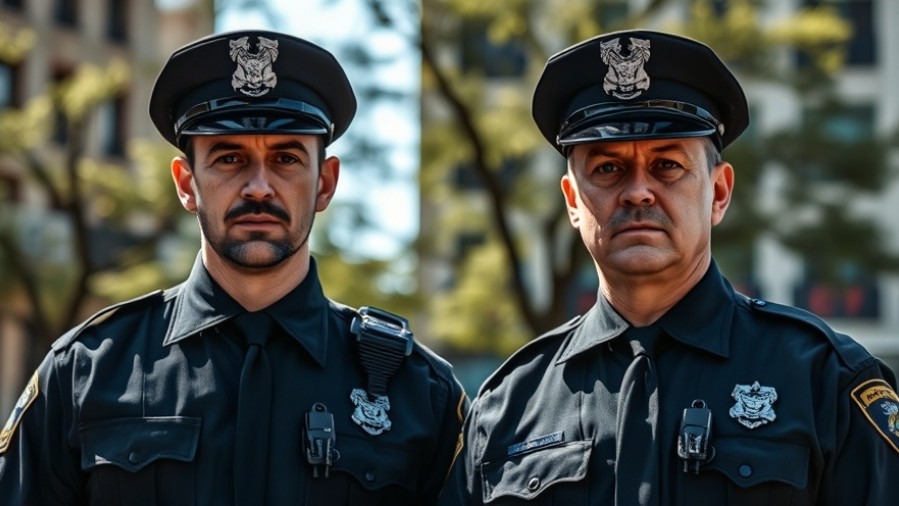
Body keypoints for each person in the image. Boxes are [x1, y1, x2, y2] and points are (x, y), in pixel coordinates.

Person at [0, 29, 467, 505]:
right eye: (229, 157)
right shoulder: (85, 372)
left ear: (325, 184)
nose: (258, 187)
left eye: (286, 158)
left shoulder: (419, 392)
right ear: (187, 184)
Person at [439, 29, 899, 505]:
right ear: (573, 201)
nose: (638, 192)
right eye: (607, 169)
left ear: (718, 193)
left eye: (667, 166)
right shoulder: (506, 407)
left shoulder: (824, 380)